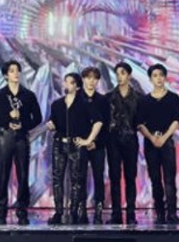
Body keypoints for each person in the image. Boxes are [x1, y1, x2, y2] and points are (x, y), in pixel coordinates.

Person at [0, 59, 43, 225]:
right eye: (11, 71)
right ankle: (1, 212)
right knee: (3, 175)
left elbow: (38, 118)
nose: (16, 73)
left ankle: (22, 211)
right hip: (5, 137)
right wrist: (7, 119)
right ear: (5, 75)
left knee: (23, 175)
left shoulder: (28, 95)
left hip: (22, 138)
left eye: (17, 70)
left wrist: (24, 124)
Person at [47, 72, 103, 225]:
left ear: (77, 86)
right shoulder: (57, 104)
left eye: (70, 82)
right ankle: (58, 212)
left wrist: (88, 140)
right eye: (65, 82)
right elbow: (53, 121)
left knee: (76, 180)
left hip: (76, 145)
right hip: (59, 144)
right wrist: (51, 125)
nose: (66, 85)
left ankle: (74, 212)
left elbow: (98, 122)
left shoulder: (85, 103)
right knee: (57, 178)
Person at [137, 63, 179, 225]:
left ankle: (172, 213)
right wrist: (151, 138)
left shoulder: (173, 98)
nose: (158, 78)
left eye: (161, 75)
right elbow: (139, 123)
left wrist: (164, 137)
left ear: (165, 77)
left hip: (167, 142)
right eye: (155, 75)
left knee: (170, 179)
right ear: (150, 79)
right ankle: (160, 213)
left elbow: (176, 120)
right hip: (150, 144)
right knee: (155, 179)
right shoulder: (144, 100)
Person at [106, 61, 142, 225]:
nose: (119, 77)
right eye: (117, 73)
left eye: (123, 73)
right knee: (114, 177)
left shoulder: (138, 97)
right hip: (113, 140)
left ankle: (131, 213)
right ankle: (116, 214)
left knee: (130, 177)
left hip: (130, 140)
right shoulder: (109, 97)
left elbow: (141, 120)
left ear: (129, 75)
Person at [79, 66, 110, 224]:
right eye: (89, 78)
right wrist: (83, 141)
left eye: (95, 78)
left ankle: (98, 210)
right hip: (80, 144)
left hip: (98, 145)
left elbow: (106, 124)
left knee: (98, 176)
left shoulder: (103, 100)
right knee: (80, 177)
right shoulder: (77, 98)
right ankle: (81, 209)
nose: (92, 81)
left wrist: (95, 142)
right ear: (83, 79)